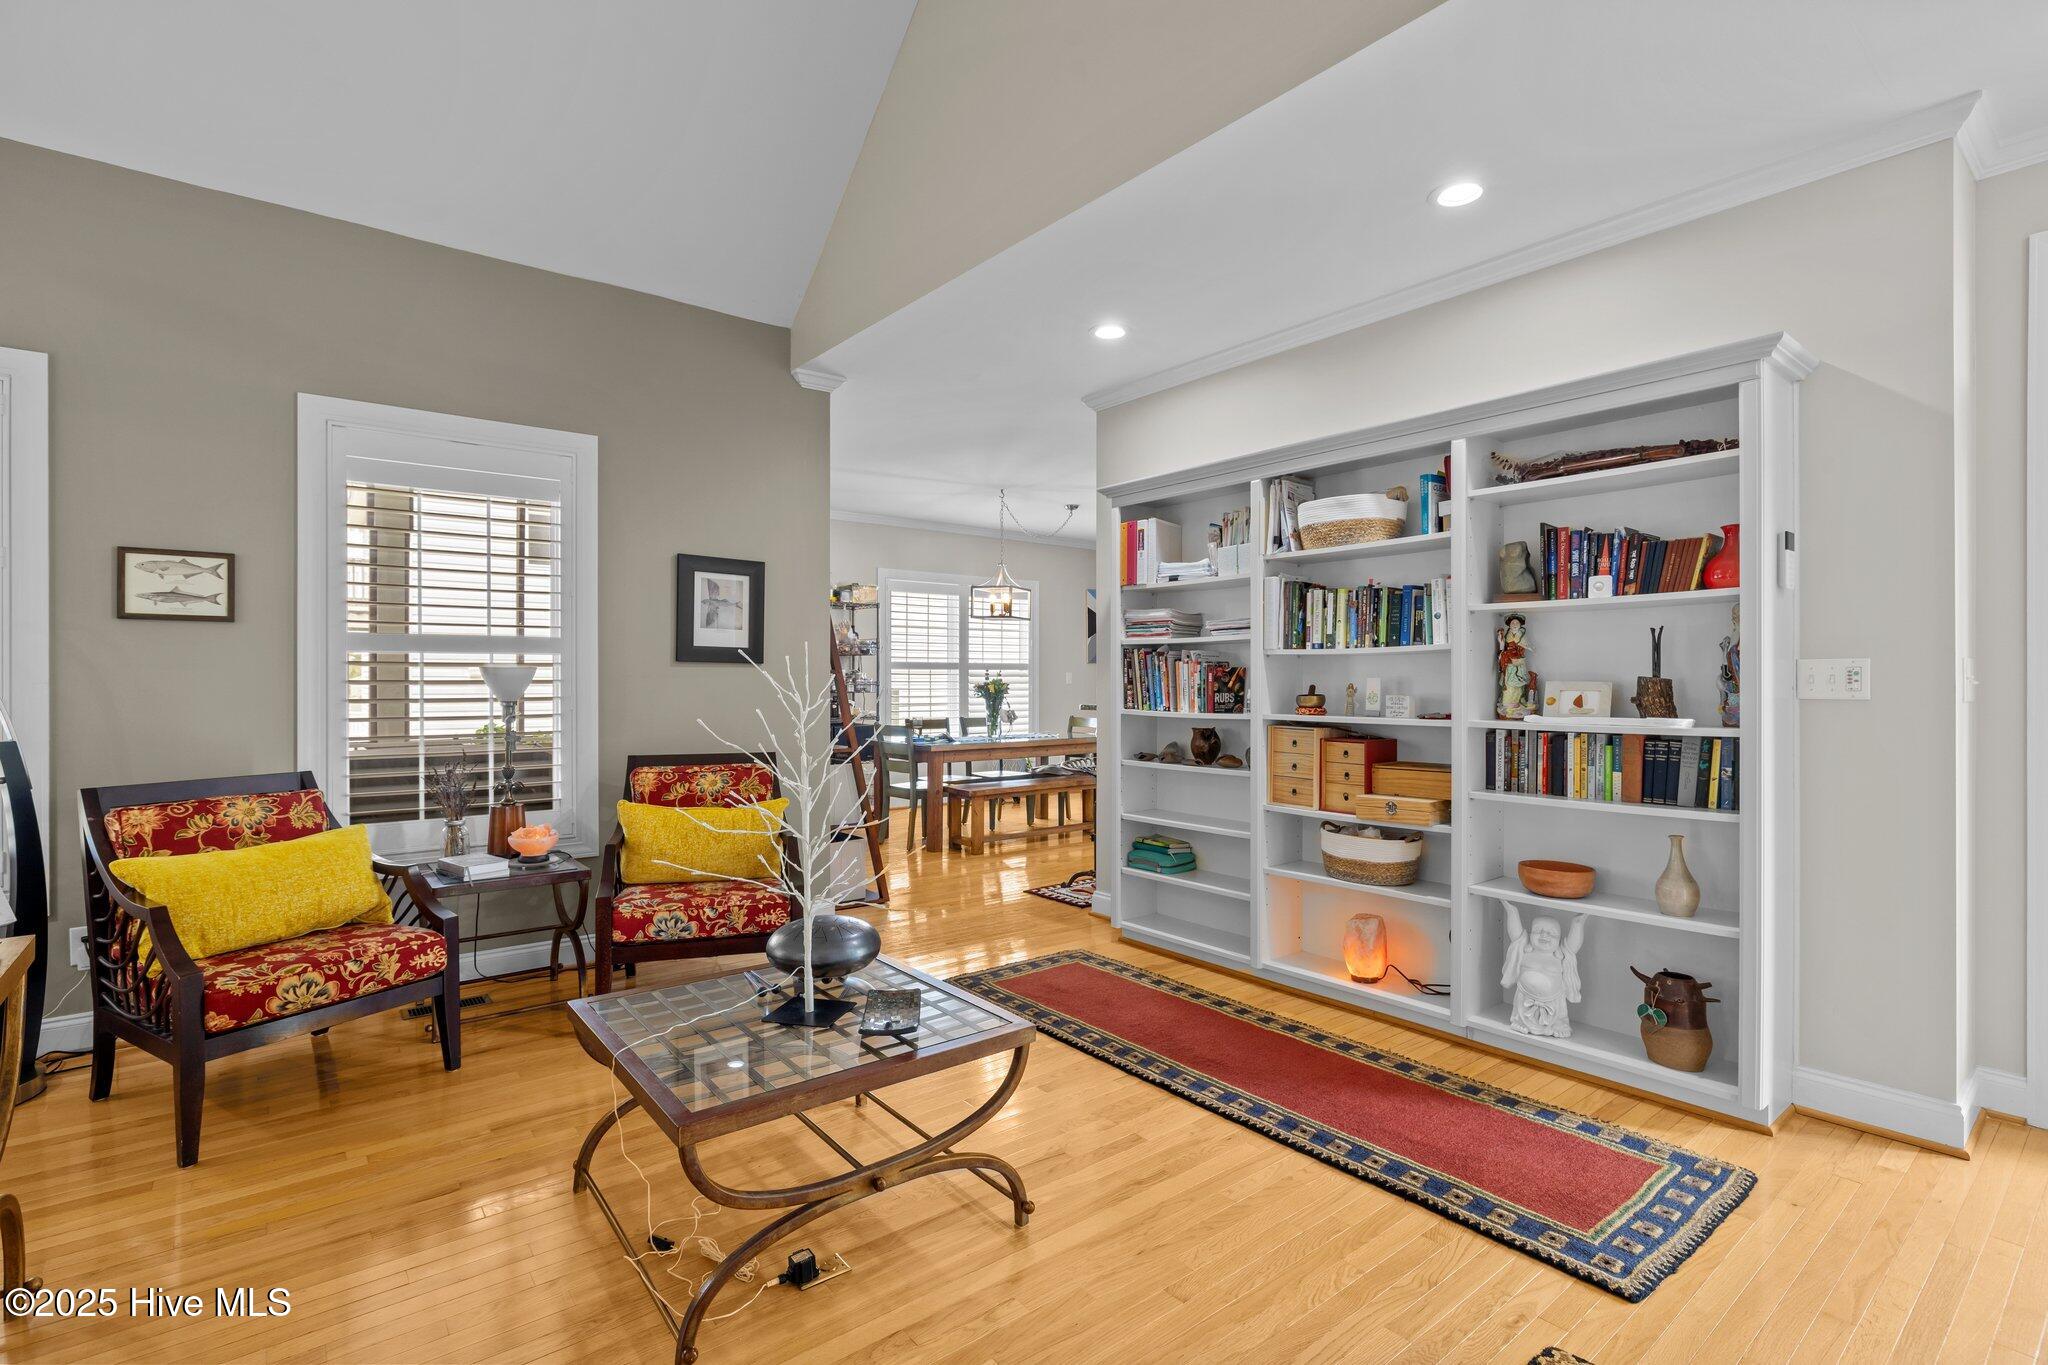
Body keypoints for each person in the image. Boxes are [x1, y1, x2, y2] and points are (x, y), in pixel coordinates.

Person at [1501, 905, 1586, 1037]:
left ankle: (1558, 1023)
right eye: (1538, 931)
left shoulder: (1560, 956)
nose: (1544, 935)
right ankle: (1520, 1021)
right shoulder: (1524, 950)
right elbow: (1515, 935)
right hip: (1525, 996)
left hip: (1554, 1000)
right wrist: (1512, 911)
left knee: (1559, 1011)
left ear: (1558, 940)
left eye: (1551, 933)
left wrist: (1578, 922)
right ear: (1530, 935)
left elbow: (1573, 946)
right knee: (1520, 1007)